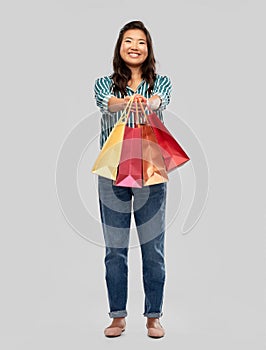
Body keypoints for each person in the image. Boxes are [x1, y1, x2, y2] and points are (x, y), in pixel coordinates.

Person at [94, 20, 172, 338]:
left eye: (141, 41)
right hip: (113, 174)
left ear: (148, 48)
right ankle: (117, 316)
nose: (135, 46)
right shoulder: (104, 83)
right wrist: (128, 102)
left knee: (153, 248)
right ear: (120, 46)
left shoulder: (160, 83)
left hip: (151, 174)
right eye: (129, 41)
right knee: (115, 250)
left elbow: (159, 101)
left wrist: (147, 102)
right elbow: (106, 103)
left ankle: (153, 316)